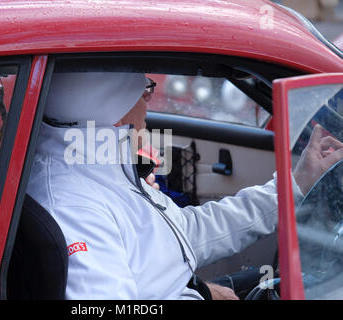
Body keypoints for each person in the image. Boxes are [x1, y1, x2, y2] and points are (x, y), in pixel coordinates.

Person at [27, 71, 343, 300]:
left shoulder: (100, 168)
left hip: (185, 288)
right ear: (113, 109)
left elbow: (187, 232)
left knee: (278, 282)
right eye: (145, 92)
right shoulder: (75, 206)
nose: (147, 107)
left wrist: (296, 183)